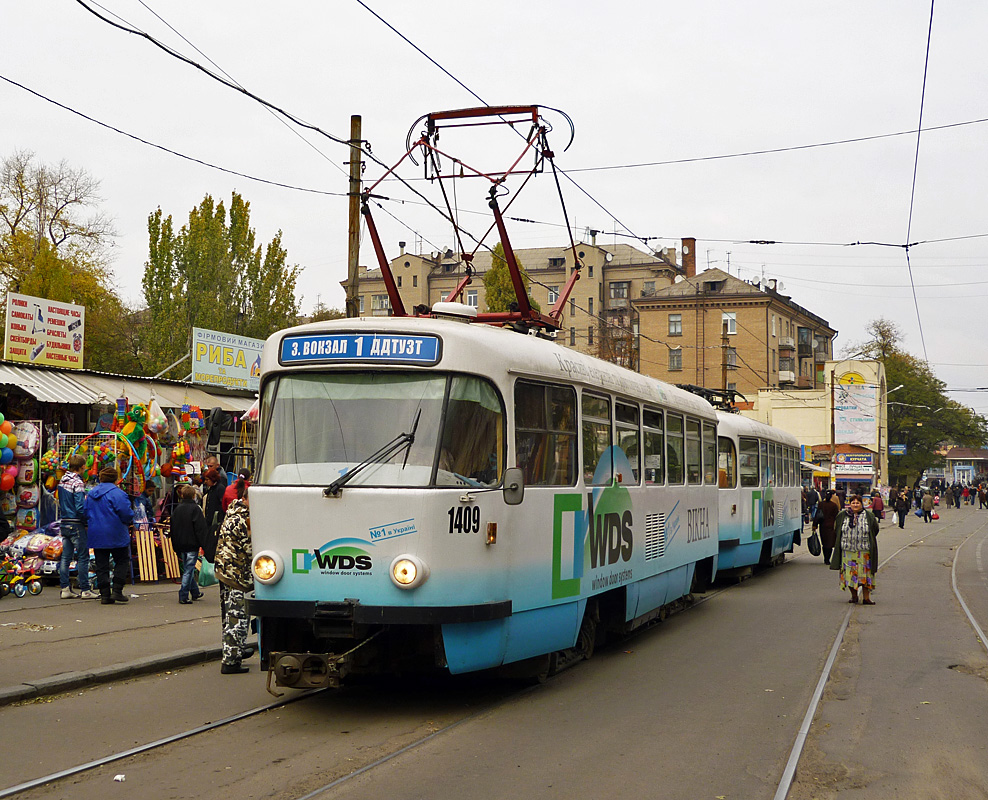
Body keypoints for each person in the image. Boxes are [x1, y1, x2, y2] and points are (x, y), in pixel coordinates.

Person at [214, 475, 253, 674]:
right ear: (246, 499)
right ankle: (231, 661)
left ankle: (235, 651)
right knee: (237, 617)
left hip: (224, 570)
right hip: (237, 573)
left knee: (228, 616)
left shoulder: (232, 512)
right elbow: (251, 549)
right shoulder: (245, 519)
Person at [83, 467, 134, 605]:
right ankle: (117, 590)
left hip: (96, 532)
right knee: (122, 560)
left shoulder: (91, 494)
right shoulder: (118, 494)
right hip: (116, 531)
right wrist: (128, 520)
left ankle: (105, 594)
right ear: (116, 479)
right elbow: (126, 513)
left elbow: (85, 512)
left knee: (101, 564)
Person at [56, 454, 98, 599]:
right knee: (83, 557)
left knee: (66, 557)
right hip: (76, 523)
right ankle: (85, 589)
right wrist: (87, 520)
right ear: (82, 467)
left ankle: (65, 588)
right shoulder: (77, 483)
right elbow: (80, 507)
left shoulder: (62, 480)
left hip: (64, 522)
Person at [169, 484, 214, 604]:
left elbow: (173, 528)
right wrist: (204, 544)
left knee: (188, 568)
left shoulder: (177, 509)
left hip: (181, 543)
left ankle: (195, 591)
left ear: (182, 495)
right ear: (194, 495)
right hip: (192, 544)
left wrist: (175, 545)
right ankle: (183, 594)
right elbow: (200, 529)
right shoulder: (195, 509)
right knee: (189, 570)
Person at [831, 494, 879, 604]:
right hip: (847, 551)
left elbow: (875, 530)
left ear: (861, 504)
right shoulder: (842, 515)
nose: (855, 505)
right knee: (850, 575)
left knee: (865, 576)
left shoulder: (869, 516)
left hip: (864, 552)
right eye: (853, 503)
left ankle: (866, 598)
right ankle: (854, 596)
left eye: (858, 503)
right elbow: (837, 529)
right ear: (850, 504)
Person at [813, 489, 840, 564]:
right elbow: (837, 516)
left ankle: (825, 558)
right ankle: (828, 559)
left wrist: (814, 525)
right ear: (831, 496)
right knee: (830, 543)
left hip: (823, 526)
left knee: (824, 543)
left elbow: (817, 515)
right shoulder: (834, 505)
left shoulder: (821, 504)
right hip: (831, 526)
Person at [202, 468, 226, 535]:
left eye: (207, 479)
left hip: (215, 521)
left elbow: (222, 505)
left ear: (213, 479)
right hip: (209, 520)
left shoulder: (220, 488)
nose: (205, 482)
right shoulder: (211, 488)